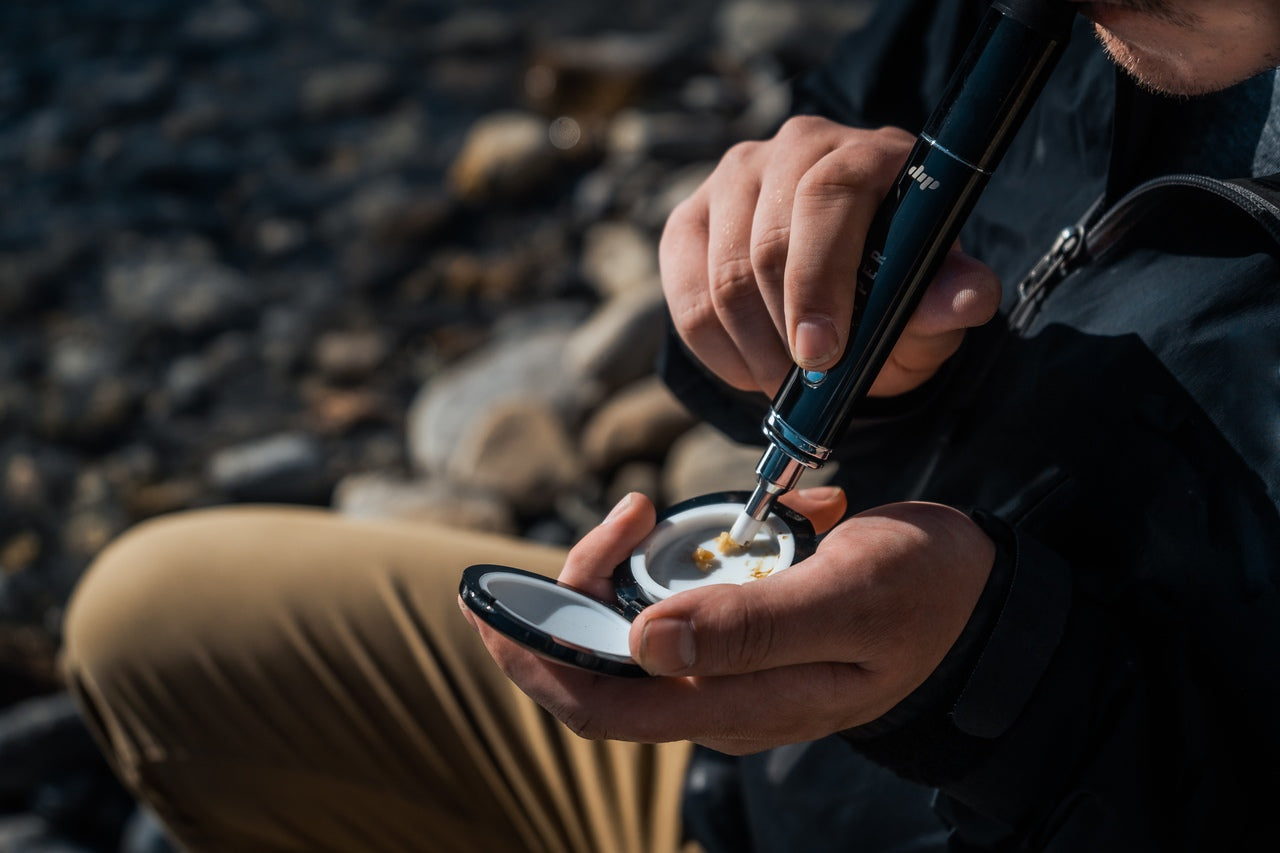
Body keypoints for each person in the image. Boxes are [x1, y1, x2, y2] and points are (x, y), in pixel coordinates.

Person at [61, 0, 1280, 850]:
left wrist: (994, 674)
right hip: (744, 790)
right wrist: (772, 302)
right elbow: (847, 139)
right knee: (153, 623)